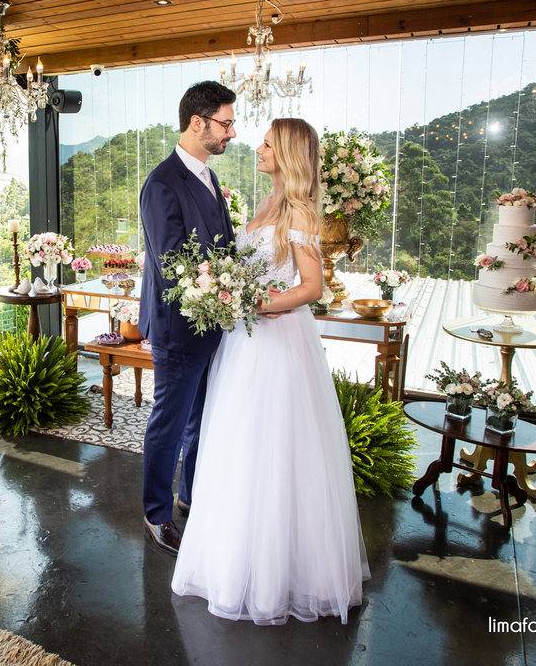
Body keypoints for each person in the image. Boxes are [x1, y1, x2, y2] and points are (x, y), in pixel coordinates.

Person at [171, 118, 370, 625]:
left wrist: (260, 303)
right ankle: (234, 558)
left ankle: (280, 572)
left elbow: (312, 286)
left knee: (277, 448)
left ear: (286, 153)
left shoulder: (299, 210)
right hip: (244, 341)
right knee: (239, 444)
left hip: (277, 343)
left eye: (265, 143)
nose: (256, 149)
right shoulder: (266, 203)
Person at [138, 80, 237, 556]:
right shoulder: (162, 183)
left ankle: (190, 497)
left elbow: (222, 246)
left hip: (211, 326)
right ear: (198, 123)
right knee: (170, 424)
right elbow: (172, 263)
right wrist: (228, 287)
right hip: (178, 328)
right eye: (226, 123)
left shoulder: (209, 177)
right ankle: (156, 515)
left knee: (201, 420)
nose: (232, 133)